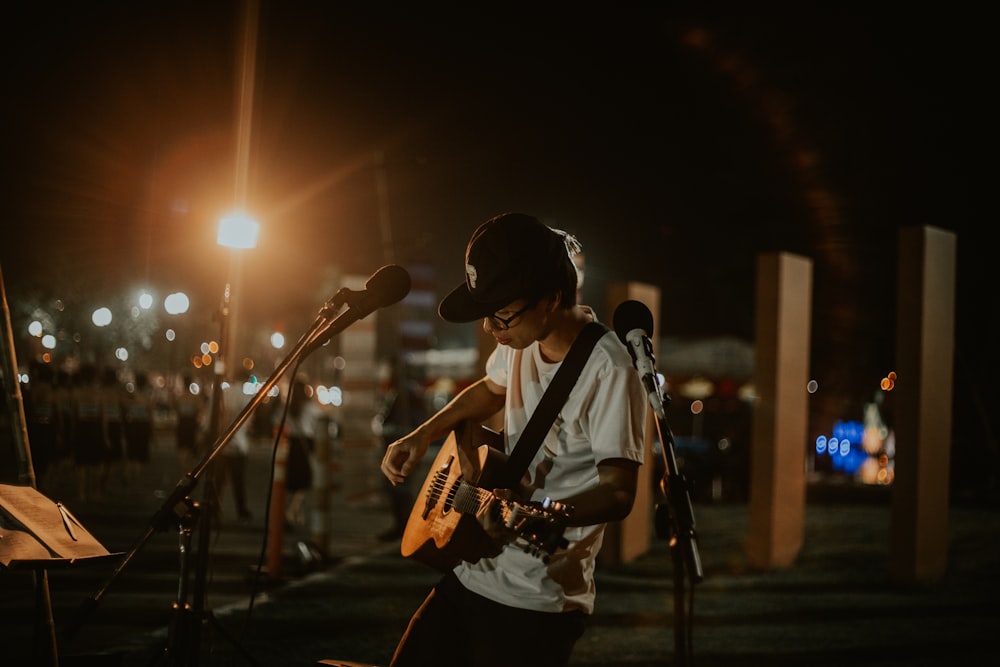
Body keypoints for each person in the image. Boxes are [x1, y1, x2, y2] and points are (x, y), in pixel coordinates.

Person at [380, 212, 648, 667]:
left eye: (502, 315)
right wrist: (426, 432)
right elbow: (489, 390)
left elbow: (619, 492)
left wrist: (539, 515)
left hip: (537, 601)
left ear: (550, 299)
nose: (490, 329)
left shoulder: (609, 369)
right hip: (471, 574)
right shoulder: (518, 341)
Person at [212, 369, 254, 524]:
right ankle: (241, 509)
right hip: (239, 444)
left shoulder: (224, 393)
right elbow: (249, 422)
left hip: (222, 444)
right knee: (238, 480)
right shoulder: (245, 396)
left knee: (218, 480)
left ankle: (215, 509)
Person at [282, 376, 319, 530]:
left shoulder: (290, 407)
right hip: (306, 444)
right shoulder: (310, 408)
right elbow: (319, 421)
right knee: (305, 483)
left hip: (294, 446)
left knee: (293, 482)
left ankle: (297, 516)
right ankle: (290, 513)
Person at [123, 371, 155, 485]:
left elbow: (125, 412)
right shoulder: (147, 398)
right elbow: (150, 416)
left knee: (130, 452)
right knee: (140, 452)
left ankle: (127, 474)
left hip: (132, 426)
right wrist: (152, 432)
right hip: (143, 426)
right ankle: (136, 478)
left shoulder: (131, 397)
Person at [173, 373, 205, 475]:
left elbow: (176, 411)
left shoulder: (179, 398)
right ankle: (189, 472)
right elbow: (201, 411)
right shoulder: (195, 398)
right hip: (192, 425)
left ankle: (183, 472)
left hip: (182, 424)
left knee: (182, 450)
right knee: (191, 450)